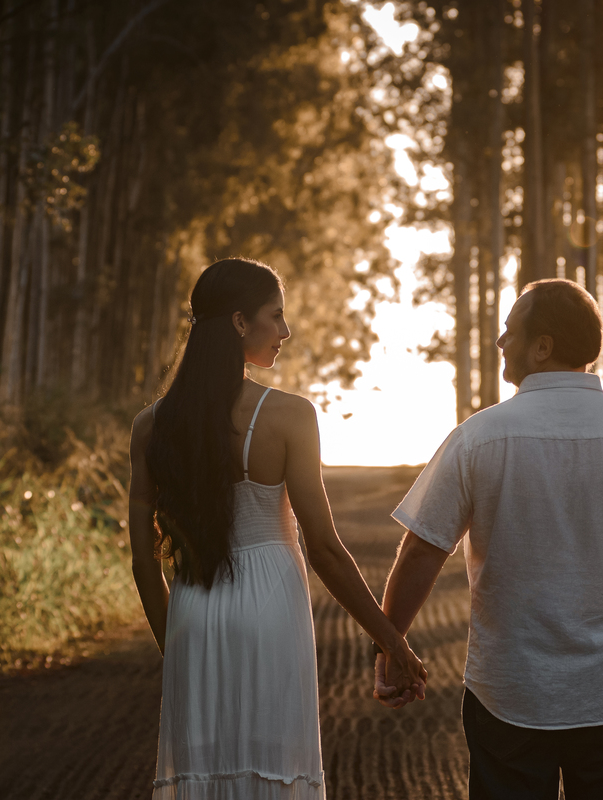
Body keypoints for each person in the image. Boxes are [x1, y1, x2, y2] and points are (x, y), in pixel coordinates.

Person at [373, 279, 603, 800]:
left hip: (510, 694)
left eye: (510, 331)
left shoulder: (479, 437)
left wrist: (391, 645)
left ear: (542, 346)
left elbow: (422, 550)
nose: (500, 342)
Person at [127, 258, 426, 800]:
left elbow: (144, 561)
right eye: (276, 315)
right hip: (270, 614)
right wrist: (391, 641)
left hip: (192, 618)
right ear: (240, 322)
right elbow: (325, 550)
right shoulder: (290, 416)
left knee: (205, 777)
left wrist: (180, 647)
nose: (285, 330)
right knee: (272, 774)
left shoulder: (151, 425)